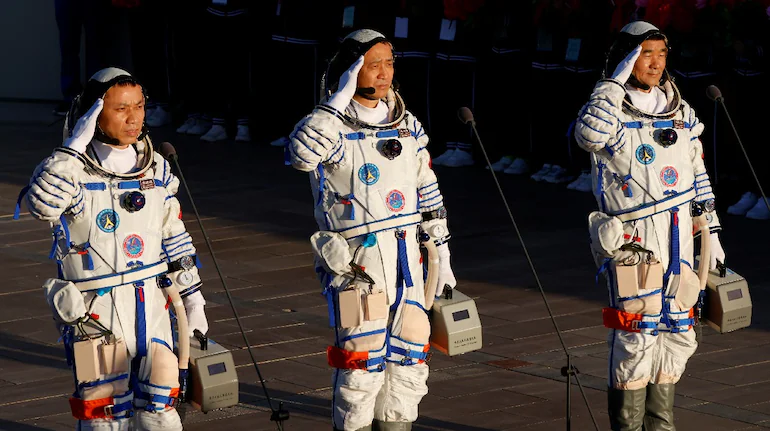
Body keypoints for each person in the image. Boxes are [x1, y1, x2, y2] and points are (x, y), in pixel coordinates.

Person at [19, 67, 208, 431]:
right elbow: (43, 205)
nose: (134, 117)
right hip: (96, 309)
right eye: (121, 108)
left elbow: (174, 235)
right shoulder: (71, 171)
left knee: (161, 403)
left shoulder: (156, 167)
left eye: (139, 106)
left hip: (153, 303)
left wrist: (194, 301)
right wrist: (74, 146)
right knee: (105, 410)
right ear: (93, 113)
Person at [287, 29, 457, 431]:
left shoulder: (406, 124)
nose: (383, 73)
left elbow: (427, 190)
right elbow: (300, 156)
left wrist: (443, 256)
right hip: (355, 268)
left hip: (409, 262)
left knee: (409, 362)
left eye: (389, 63)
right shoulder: (330, 125)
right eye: (372, 64)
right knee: (359, 365)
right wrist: (338, 99)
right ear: (349, 69)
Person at [574, 21, 726, 430]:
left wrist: (711, 232)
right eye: (645, 54)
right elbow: (588, 136)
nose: (656, 63)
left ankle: (661, 425)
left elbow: (697, 174)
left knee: (679, 332)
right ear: (627, 58)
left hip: (679, 237)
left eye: (661, 53)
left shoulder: (680, 110)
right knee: (636, 334)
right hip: (635, 239)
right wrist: (612, 83)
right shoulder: (611, 109)